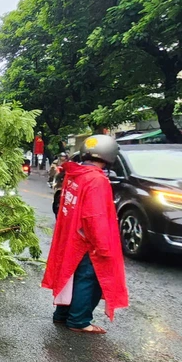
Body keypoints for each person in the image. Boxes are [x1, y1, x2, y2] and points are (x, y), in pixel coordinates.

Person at [41, 135, 128, 334]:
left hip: (72, 235)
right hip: (86, 239)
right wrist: (102, 245)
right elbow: (94, 215)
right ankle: (79, 320)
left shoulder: (76, 174)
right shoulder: (96, 179)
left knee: (70, 275)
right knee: (89, 278)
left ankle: (62, 315)